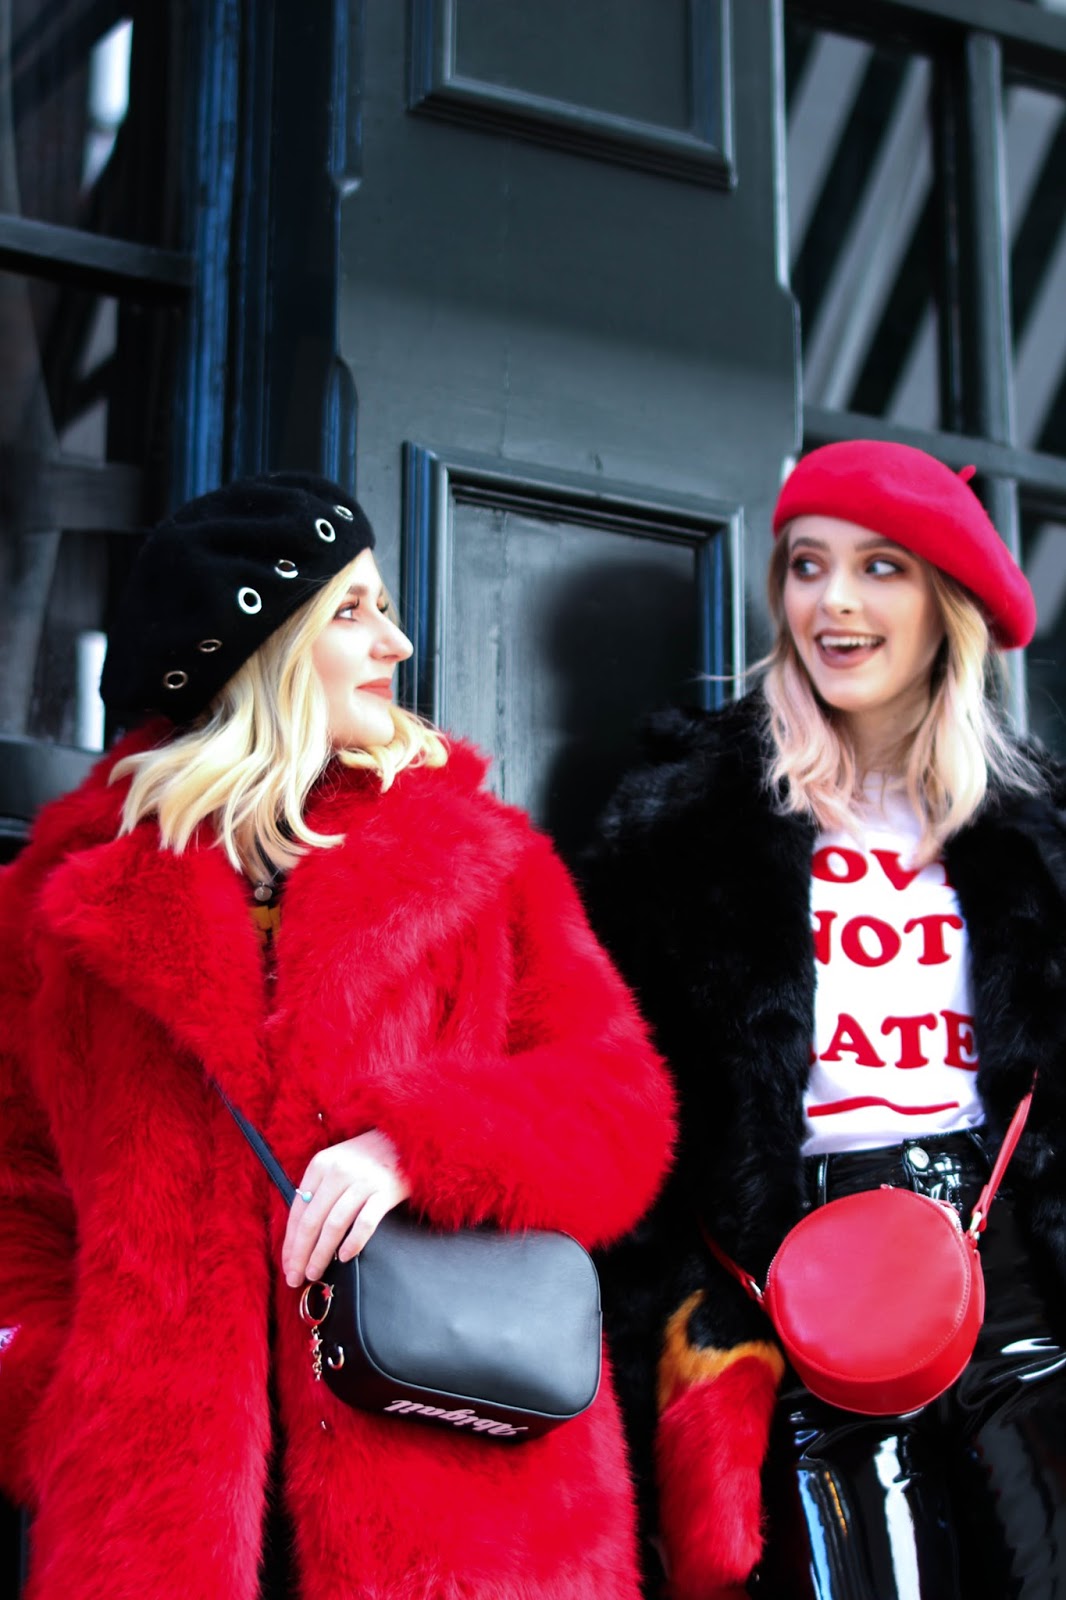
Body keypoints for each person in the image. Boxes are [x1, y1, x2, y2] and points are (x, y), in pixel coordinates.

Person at [0, 472, 676, 1600]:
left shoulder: (482, 861)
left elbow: (621, 1108)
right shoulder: (58, 902)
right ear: (256, 649)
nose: (396, 644)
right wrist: (50, 1402)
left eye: (384, 607)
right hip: (154, 1516)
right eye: (351, 611)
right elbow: (16, 1189)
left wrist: (420, 1146)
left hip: (459, 1504)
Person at [581, 440, 1066, 1600]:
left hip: (1013, 1274)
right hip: (803, 1291)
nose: (833, 601)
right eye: (807, 565)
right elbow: (596, 1066)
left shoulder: (1035, 834)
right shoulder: (686, 822)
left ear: (945, 604)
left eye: (878, 567)